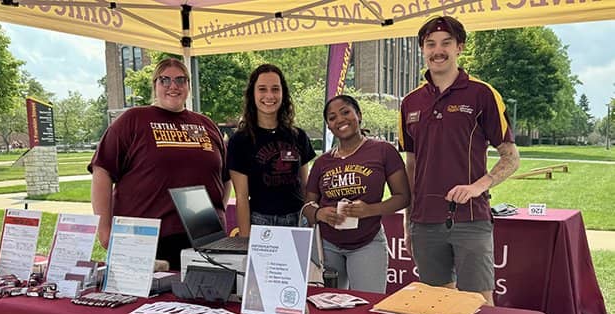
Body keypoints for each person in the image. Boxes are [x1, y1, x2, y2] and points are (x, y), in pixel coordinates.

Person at [399, 16, 520, 305]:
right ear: (422, 49)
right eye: (430, 44)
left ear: (460, 47)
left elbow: (511, 157)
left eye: (446, 43)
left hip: (470, 218)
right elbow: (411, 165)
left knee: (479, 303)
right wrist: (407, 221)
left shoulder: (482, 94)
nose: (437, 50)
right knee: (439, 303)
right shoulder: (410, 102)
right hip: (424, 220)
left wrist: (479, 186)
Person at [89, 57, 230, 270]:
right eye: (165, 80)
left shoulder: (206, 124)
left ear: (188, 86)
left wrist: (218, 212)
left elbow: (225, 176)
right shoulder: (133, 120)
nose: (173, 86)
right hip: (146, 239)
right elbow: (102, 171)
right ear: (155, 85)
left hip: (205, 238)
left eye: (181, 80)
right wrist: (105, 231)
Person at [304, 95, 410, 293]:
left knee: (367, 308)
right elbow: (307, 206)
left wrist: (370, 210)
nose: (340, 120)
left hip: (367, 243)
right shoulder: (322, 162)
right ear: (328, 126)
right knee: (327, 306)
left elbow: (403, 197)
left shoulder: (383, 151)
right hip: (327, 246)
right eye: (332, 117)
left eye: (346, 112)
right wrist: (320, 214)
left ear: (359, 115)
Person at [227, 64, 316, 237]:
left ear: (283, 94)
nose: (269, 95)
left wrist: (311, 226)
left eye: (275, 89)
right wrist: (246, 242)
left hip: (298, 221)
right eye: (262, 89)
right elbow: (242, 198)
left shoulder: (298, 136)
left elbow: (306, 189)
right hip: (261, 223)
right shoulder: (240, 141)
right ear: (252, 94)